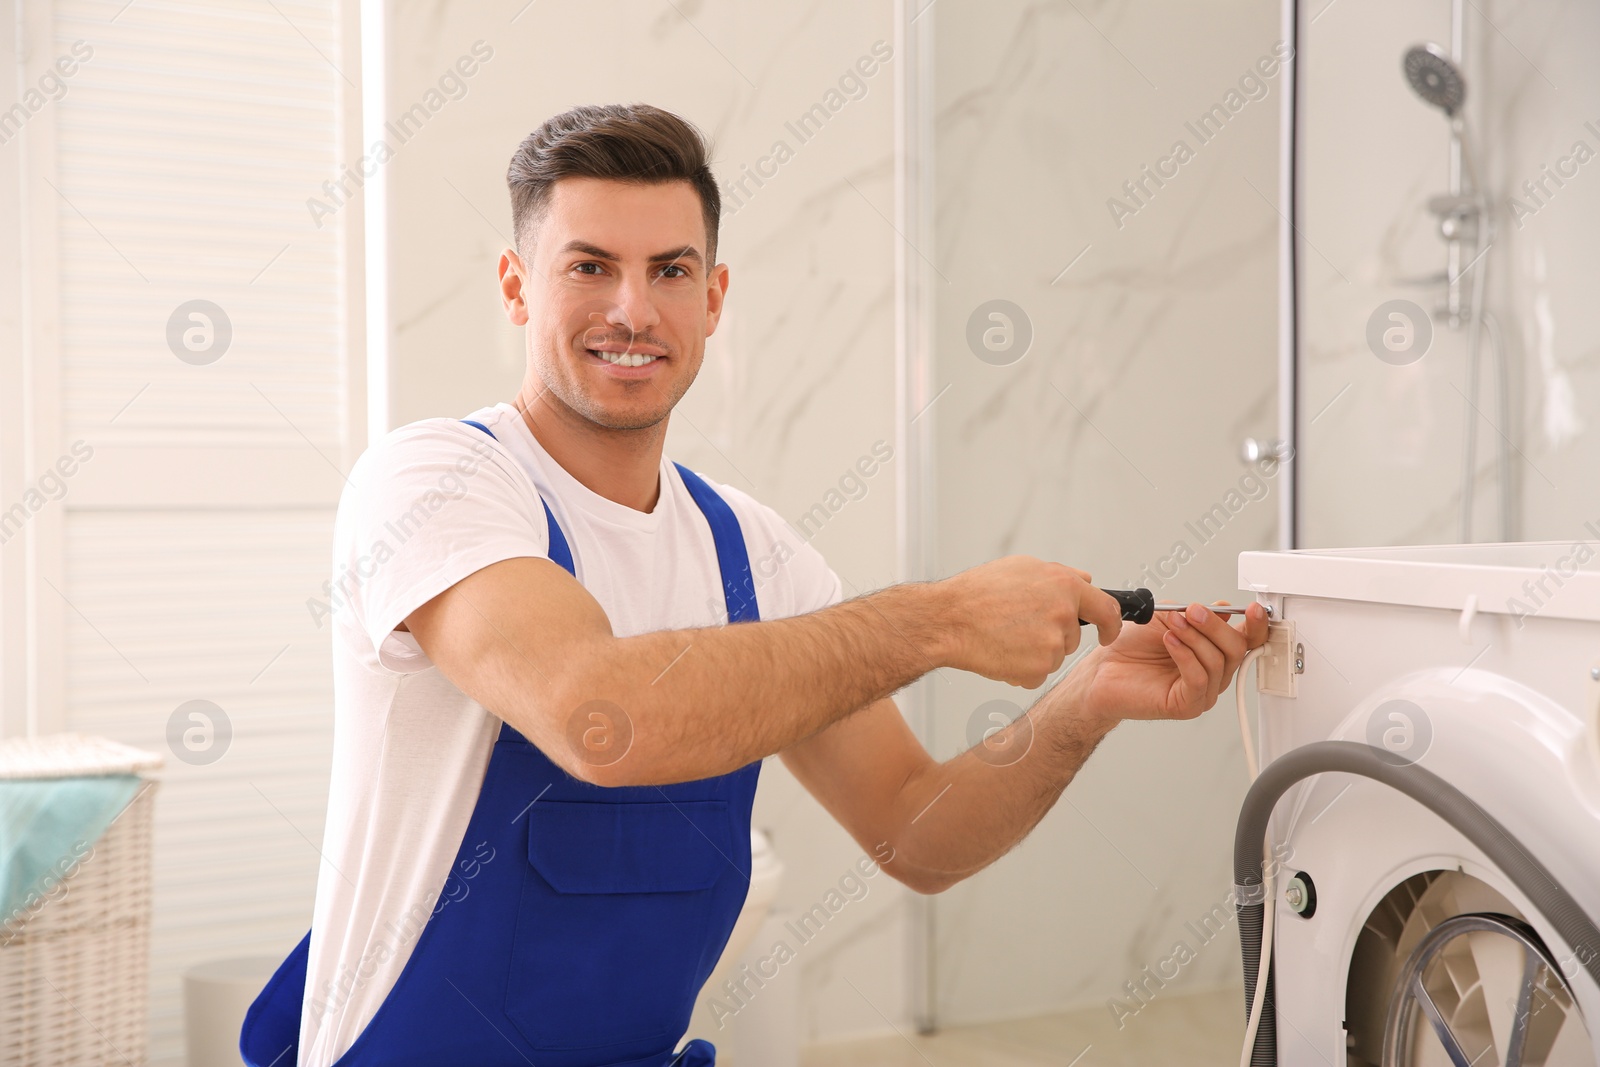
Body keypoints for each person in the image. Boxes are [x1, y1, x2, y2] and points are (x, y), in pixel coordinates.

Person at [242, 103, 1269, 1067]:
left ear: (713, 297)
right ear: (517, 284)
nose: (632, 309)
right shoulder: (439, 482)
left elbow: (916, 828)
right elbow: (602, 716)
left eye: (670, 269)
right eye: (589, 266)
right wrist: (941, 615)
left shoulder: (752, 553)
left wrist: (1086, 702)